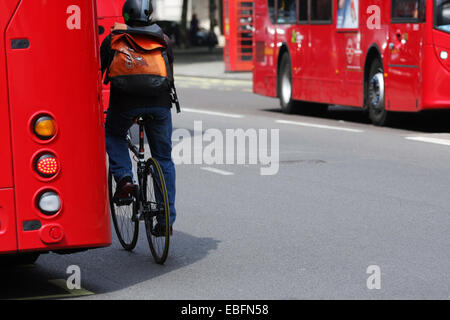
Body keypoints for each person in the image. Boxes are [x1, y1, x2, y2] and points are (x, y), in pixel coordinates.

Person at [100, 0, 177, 234]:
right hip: (159, 105)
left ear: (125, 14)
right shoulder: (163, 39)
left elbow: (99, 70)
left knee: (113, 134)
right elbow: (169, 76)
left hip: (125, 104)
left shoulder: (113, 39)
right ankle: (166, 220)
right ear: (149, 14)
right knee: (163, 158)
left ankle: (124, 179)